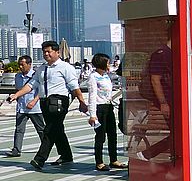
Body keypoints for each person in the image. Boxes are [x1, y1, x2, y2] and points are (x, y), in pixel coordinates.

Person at [7, 40, 88, 171]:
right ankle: (66, 155)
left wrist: (82, 101)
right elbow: (31, 85)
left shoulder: (66, 67)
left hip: (59, 102)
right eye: (44, 52)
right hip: (45, 102)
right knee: (57, 129)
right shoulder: (42, 69)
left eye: (49, 51)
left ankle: (40, 159)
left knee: (49, 130)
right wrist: (17, 95)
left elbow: (74, 86)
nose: (46, 54)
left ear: (57, 52)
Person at [87, 53, 127, 171]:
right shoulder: (93, 77)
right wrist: (92, 115)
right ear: (101, 63)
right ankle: (99, 162)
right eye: (107, 62)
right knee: (100, 136)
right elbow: (92, 96)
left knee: (112, 134)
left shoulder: (105, 76)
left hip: (108, 106)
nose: (109, 64)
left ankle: (114, 159)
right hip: (99, 108)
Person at [4, 55, 46, 157]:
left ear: (29, 64)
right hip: (21, 107)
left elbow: (41, 91)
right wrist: (13, 97)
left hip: (34, 108)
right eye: (19, 65)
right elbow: (18, 90)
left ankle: (46, 147)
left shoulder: (36, 75)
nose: (20, 67)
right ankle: (16, 149)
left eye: (22, 65)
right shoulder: (17, 76)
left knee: (40, 129)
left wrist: (34, 101)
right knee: (19, 129)